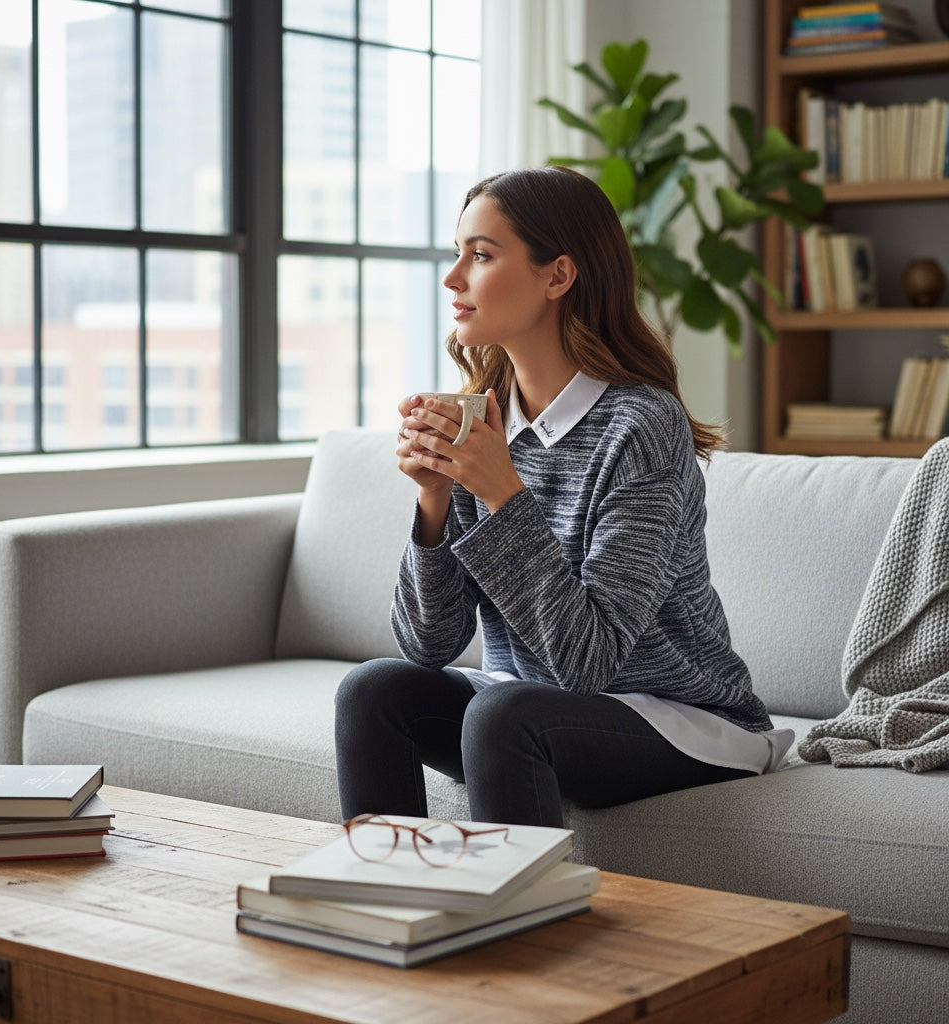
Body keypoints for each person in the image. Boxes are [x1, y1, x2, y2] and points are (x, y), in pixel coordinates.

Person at [334, 166, 792, 829]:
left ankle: (519, 924)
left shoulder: (642, 427)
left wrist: (500, 489)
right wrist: (433, 503)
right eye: (457, 251)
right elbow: (428, 647)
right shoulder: (484, 419)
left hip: (676, 719)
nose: (452, 277)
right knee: (374, 690)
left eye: (482, 255)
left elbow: (586, 664)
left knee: (503, 712)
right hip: (529, 703)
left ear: (558, 276)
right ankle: (395, 902)